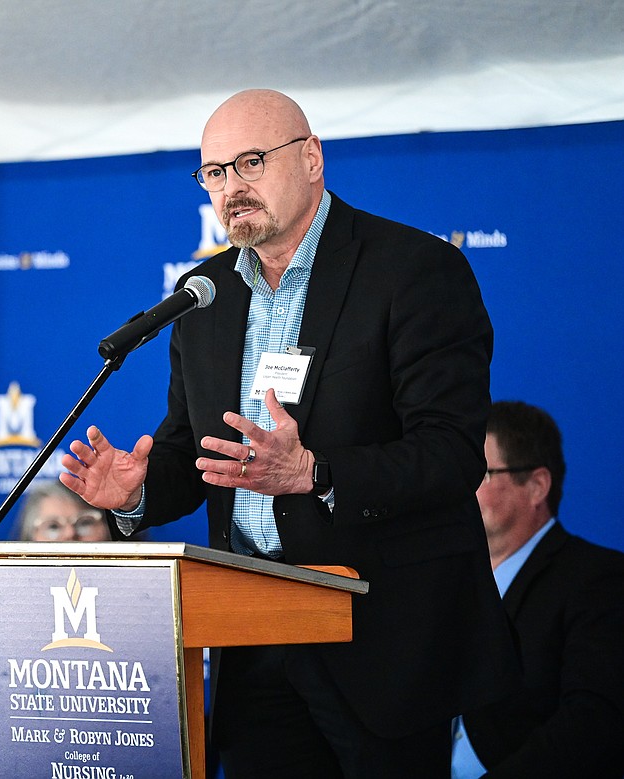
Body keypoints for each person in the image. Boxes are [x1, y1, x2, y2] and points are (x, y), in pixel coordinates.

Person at [59, 88, 520, 777]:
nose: (231, 188)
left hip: (381, 638)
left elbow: (450, 454)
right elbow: (194, 451)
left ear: (310, 159)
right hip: (251, 634)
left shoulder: (414, 270)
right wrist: (135, 492)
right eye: (214, 172)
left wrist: (317, 472)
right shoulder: (203, 295)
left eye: (249, 162)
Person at [451, 401, 624, 777]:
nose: (460, 490)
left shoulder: (599, 580)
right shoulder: (444, 584)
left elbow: (591, 725)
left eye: (479, 474)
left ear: (536, 486)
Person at [0, 480, 113, 778]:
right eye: (53, 526)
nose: (69, 535)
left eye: (85, 522)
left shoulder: (144, 607)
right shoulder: (7, 622)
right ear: (29, 539)